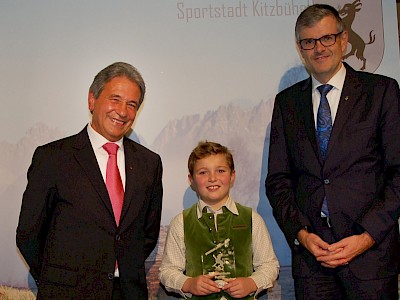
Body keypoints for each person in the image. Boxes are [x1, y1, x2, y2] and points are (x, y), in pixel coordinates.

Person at [265, 4, 400, 299]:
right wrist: (302, 236)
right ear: (300, 48)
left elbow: (398, 175)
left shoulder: (381, 92)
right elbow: (278, 181)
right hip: (313, 260)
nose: (319, 48)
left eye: (327, 38)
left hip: (371, 259)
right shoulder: (287, 103)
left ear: (343, 40)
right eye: (309, 42)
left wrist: (365, 238)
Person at [16, 62, 163, 299]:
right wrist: (59, 280)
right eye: (115, 99)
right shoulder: (53, 157)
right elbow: (29, 233)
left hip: (127, 293)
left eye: (131, 104)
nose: (123, 111)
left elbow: (147, 233)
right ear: (92, 100)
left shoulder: (150, 163)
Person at [160, 141, 279, 299]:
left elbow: (269, 266)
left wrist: (252, 283)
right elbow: (167, 271)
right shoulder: (181, 222)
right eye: (203, 172)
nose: (212, 178)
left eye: (220, 170)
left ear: (232, 176)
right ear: (191, 180)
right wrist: (188, 284)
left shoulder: (253, 220)